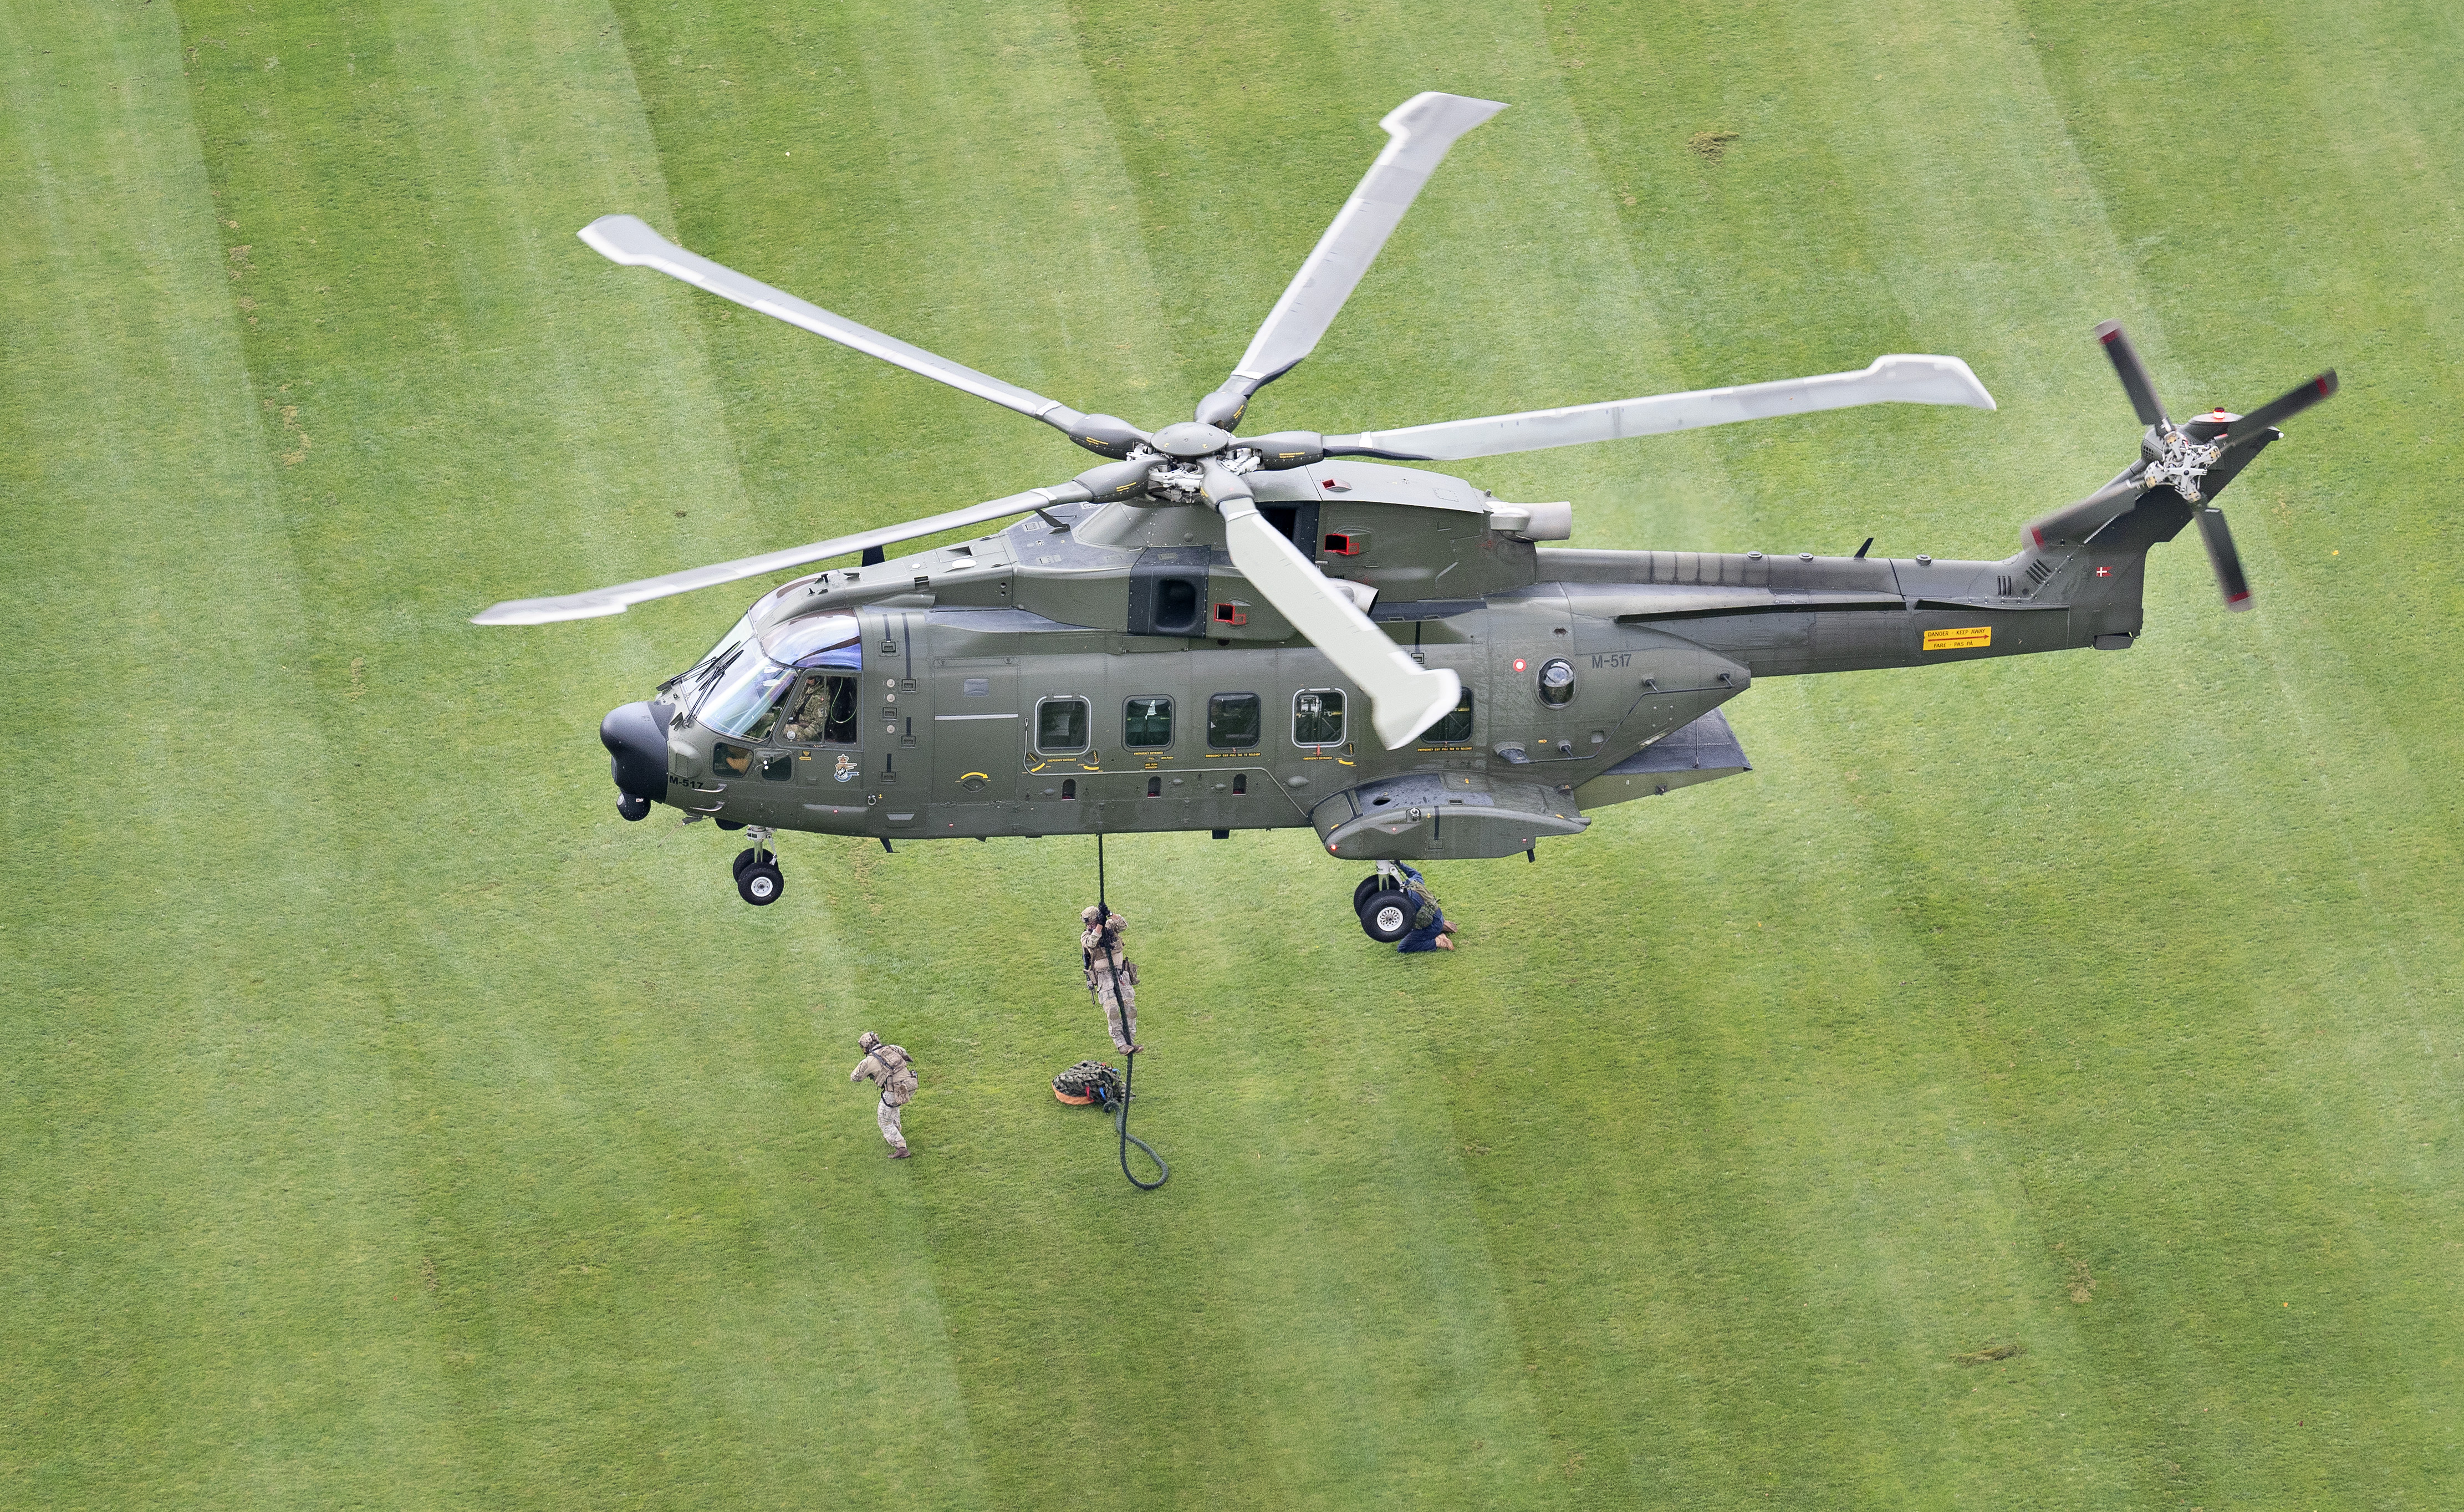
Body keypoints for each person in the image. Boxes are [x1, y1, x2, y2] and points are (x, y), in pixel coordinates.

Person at [1081, 904, 1141, 1054]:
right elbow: (1092, 942)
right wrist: (1099, 927)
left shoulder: (1110, 926)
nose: (1090, 926)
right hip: (1104, 977)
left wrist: (1111, 915)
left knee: (1131, 1009)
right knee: (1113, 1010)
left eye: (1092, 922)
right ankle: (1120, 1044)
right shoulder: (1086, 936)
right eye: (1088, 924)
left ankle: (1131, 1042)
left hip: (1120, 974)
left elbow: (1123, 925)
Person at [850, 1030, 917, 1158]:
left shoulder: (868, 1061)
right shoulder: (892, 1048)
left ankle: (901, 1147)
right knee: (893, 1106)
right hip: (911, 1084)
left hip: (895, 1090)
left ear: (865, 1047)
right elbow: (905, 1054)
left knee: (884, 1121)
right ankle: (896, 1130)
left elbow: (855, 1077)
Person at [1392, 862, 1458, 954]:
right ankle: (1442, 926)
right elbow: (1415, 874)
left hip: (1431, 926)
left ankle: (1438, 941)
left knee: (1403, 947)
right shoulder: (1413, 882)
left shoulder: (1406, 902)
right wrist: (1400, 865)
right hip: (1438, 916)